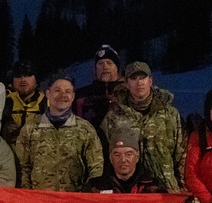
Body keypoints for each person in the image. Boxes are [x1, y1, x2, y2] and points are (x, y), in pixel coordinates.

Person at [101, 61, 186, 192]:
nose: (139, 82)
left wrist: (183, 189)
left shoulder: (170, 114)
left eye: (143, 77)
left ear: (150, 81)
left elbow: (182, 155)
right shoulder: (114, 115)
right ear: (127, 83)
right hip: (128, 192)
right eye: (133, 78)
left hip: (166, 192)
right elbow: (105, 156)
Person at [16, 75, 103, 191]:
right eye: (57, 91)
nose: (63, 95)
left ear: (73, 96)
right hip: (40, 201)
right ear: (48, 94)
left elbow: (96, 166)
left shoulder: (85, 129)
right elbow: (22, 167)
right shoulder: (30, 129)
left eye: (67, 91)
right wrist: (27, 195)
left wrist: (88, 193)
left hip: (74, 201)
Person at [87, 128, 165, 194]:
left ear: (137, 157)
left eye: (128, 154)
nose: (123, 160)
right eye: (117, 155)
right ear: (110, 158)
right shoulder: (96, 186)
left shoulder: (153, 186)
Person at [72, 44, 123, 132]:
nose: (105, 67)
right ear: (95, 69)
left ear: (117, 68)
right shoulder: (81, 97)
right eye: (100, 63)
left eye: (109, 63)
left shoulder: (129, 93)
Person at [0, 60, 46, 147]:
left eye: (27, 75)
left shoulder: (47, 104)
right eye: (18, 76)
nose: (23, 80)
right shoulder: (5, 103)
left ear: (36, 79)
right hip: (9, 157)